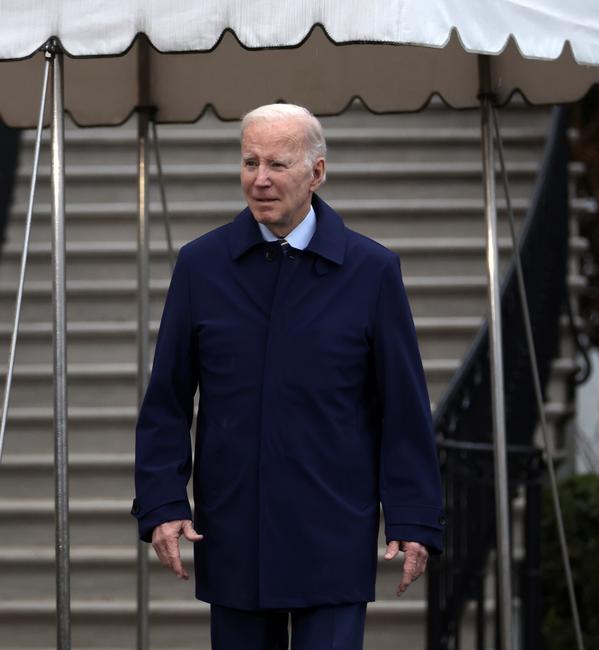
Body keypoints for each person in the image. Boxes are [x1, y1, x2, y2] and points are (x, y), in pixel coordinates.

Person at [131, 103, 445, 650]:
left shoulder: (372, 271)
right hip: (234, 528)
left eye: (277, 164)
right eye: (249, 162)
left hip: (333, 527)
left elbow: (404, 408)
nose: (260, 179)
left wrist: (414, 516)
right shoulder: (201, 266)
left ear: (316, 172)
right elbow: (167, 401)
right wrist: (162, 502)